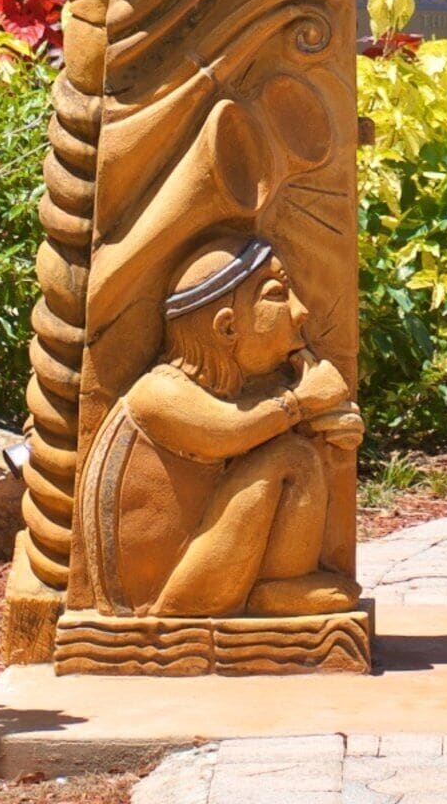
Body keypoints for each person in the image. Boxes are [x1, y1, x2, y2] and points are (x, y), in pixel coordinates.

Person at [76, 233, 364, 617]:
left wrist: (327, 425)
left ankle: (278, 586)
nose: (301, 312)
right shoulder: (159, 393)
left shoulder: (213, 391)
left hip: (190, 575)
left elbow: (250, 427)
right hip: (161, 597)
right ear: (226, 328)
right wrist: (302, 401)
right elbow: (230, 432)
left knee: (296, 451)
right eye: (277, 295)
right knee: (291, 459)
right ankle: (274, 591)